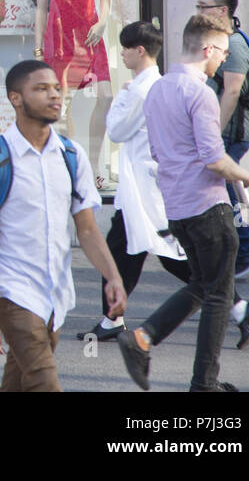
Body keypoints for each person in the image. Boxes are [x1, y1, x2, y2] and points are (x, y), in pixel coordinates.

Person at [117, 15, 249, 393]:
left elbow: (156, 150)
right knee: (217, 294)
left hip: (179, 208)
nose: (222, 62)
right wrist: (248, 176)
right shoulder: (199, 93)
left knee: (203, 286)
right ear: (207, 49)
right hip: (208, 205)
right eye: (221, 52)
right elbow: (213, 157)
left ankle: (143, 339)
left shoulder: (159, 89)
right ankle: (203, 384)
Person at [0, 60, 126, 392]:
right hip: (11, 292)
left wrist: (113, 276)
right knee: (43, 380)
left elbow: (88, 229)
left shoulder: (72, 155)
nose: (54, 95)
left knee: (19, 380)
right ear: (15, 99)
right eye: (41, 89)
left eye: (55, 87)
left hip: (55, 294)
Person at [73, 21, 190, 343]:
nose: (121, 53)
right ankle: (112, 318)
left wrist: (119, 101)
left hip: (144, 188)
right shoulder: (159, 84)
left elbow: (117, 131)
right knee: (126, 251)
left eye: (125, 48)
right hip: (143, 187)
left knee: (170, 256)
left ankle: (234, 305)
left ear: (140, 51)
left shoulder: (139, 90)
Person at [195, 0, 249, 315]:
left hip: (231, 132)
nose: (199, 11)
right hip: (223, 132)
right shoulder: (221, 42)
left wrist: (213, 131)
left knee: (222, 188)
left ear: (222, 11)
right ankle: (237, 249)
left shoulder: (234, 45)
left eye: (203, 6)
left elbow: (232, 91)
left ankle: (246, 247)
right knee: (222, 189)